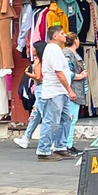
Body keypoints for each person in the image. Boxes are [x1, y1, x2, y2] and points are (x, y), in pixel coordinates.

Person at [36, 25, 77, 162]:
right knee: (51, 121)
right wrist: (70, 90)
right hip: (55, 92)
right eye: (62, 33)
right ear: (55, 36)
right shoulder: (53, 50)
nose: (65, 35)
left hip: (61, 91)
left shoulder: (57, 50)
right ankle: (43, 150)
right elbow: (59, 72)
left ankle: (60, 146)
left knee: (66, 119)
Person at [13, 42, 46, 149]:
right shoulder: (45, 60)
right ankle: (26, 137)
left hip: (40, 89)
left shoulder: (38, 61)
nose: (32, 50)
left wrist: (28, 74)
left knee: (44, 115)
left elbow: (38, 77)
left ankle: (46, 141)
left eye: (34, 48)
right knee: (36, 114)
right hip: (42, 89)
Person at [63, 32, 88, 156]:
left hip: (75, 89)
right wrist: (81, 75)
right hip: (73, 89)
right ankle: (67, 145)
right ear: (76, 40)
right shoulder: (68, 54)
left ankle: (67, 144)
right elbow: (67, 73)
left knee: (71, 118)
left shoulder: (71, 53)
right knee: (71, 119)